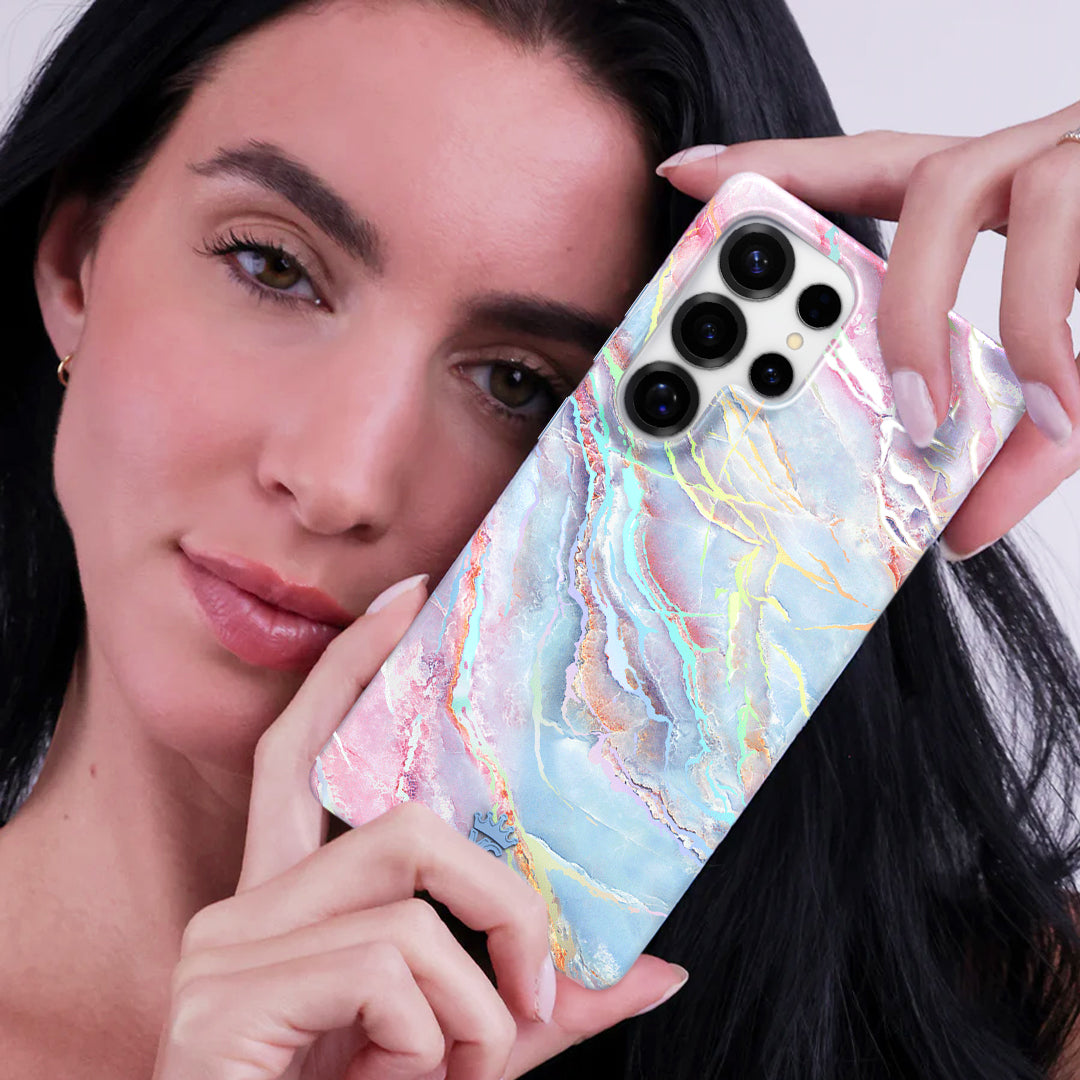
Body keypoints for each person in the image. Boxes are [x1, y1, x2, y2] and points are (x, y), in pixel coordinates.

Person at [1, 0, 1079, 1075]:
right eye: (273, 267)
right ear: (73, 263)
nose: (339, 483)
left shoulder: (1023, 1017)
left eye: (520, 384)